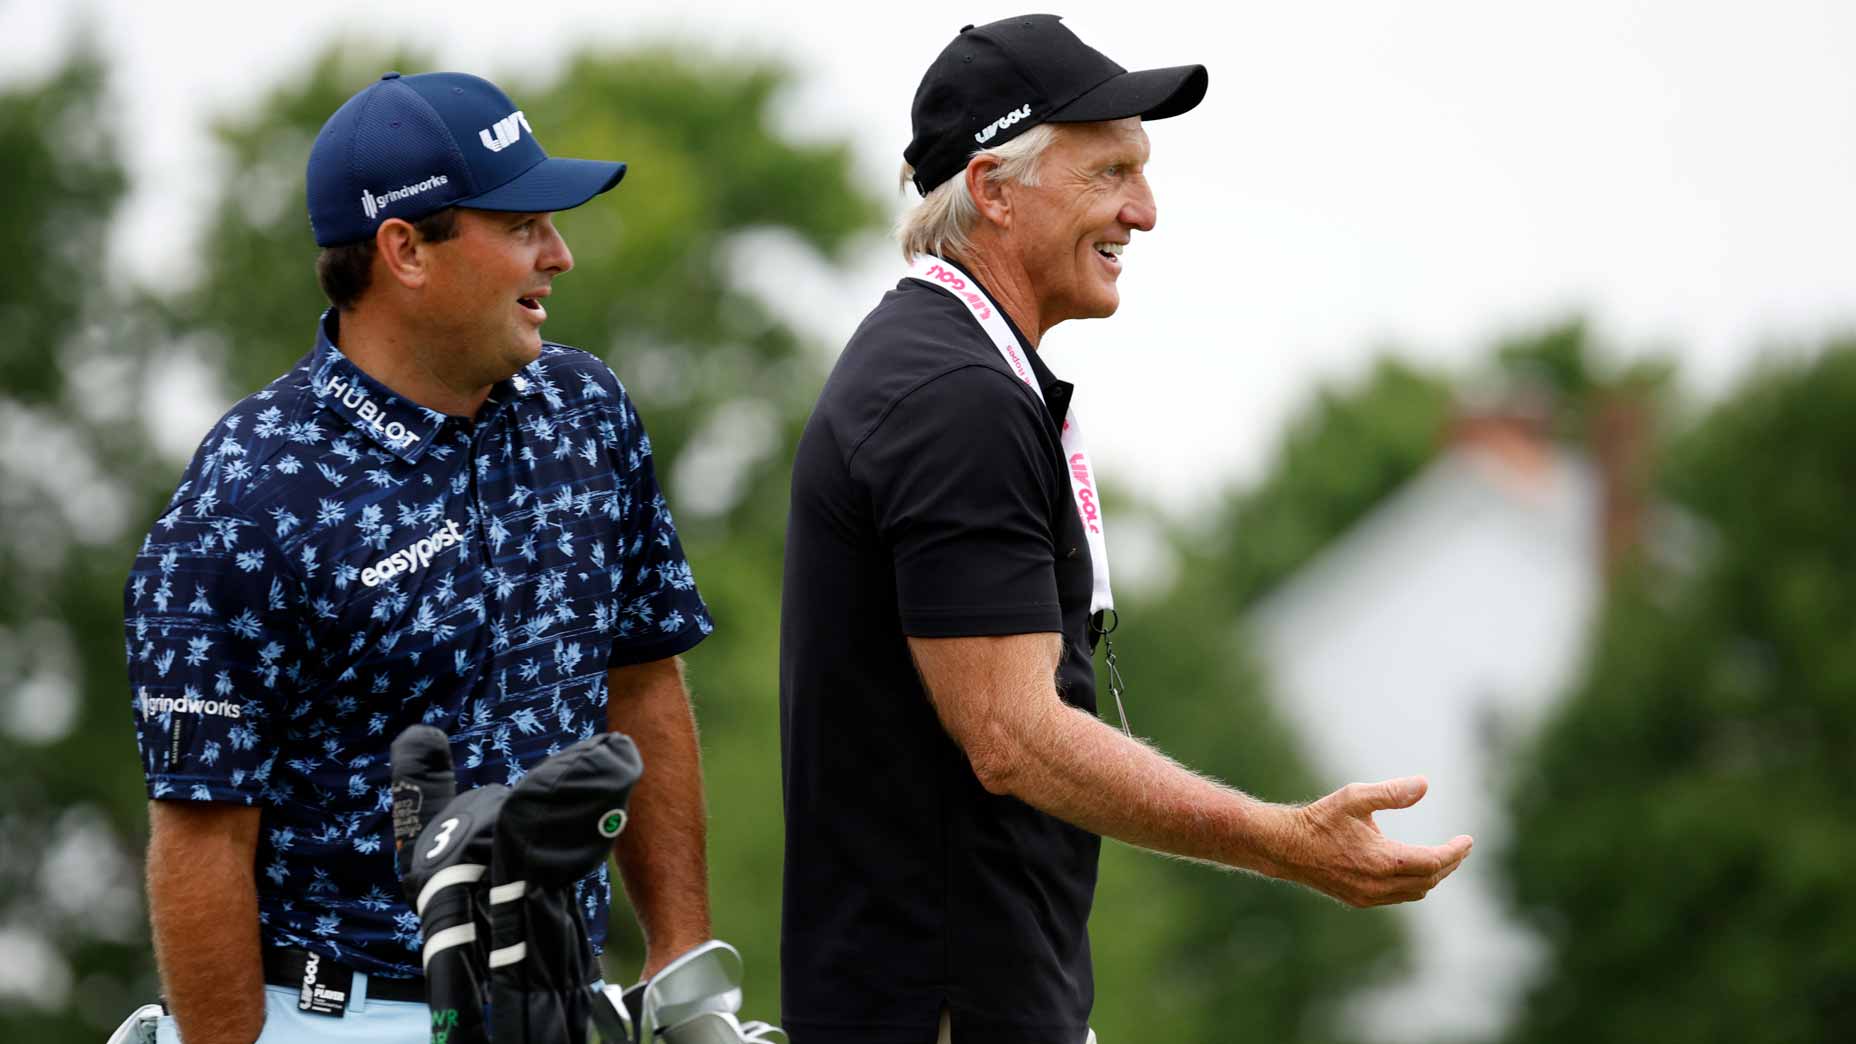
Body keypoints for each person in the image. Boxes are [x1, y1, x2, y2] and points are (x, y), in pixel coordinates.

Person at [778, 16, 1475, 1044]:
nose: (1144, 211)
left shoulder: (947, 367)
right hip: (942, 1009)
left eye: (1140, 172)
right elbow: (1014, 739)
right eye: (1109, 172)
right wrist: (1284, 841)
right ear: (993, 189)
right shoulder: (951, 396)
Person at [123, 71, 714, 1044]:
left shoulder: (586, 412)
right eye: (522, 226)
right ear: (405, 250)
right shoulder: (249, 496)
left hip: (559, 1007)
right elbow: (202, 836)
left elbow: (641, 678)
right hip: (341, 1018)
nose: (559, 255)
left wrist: (683, 960)